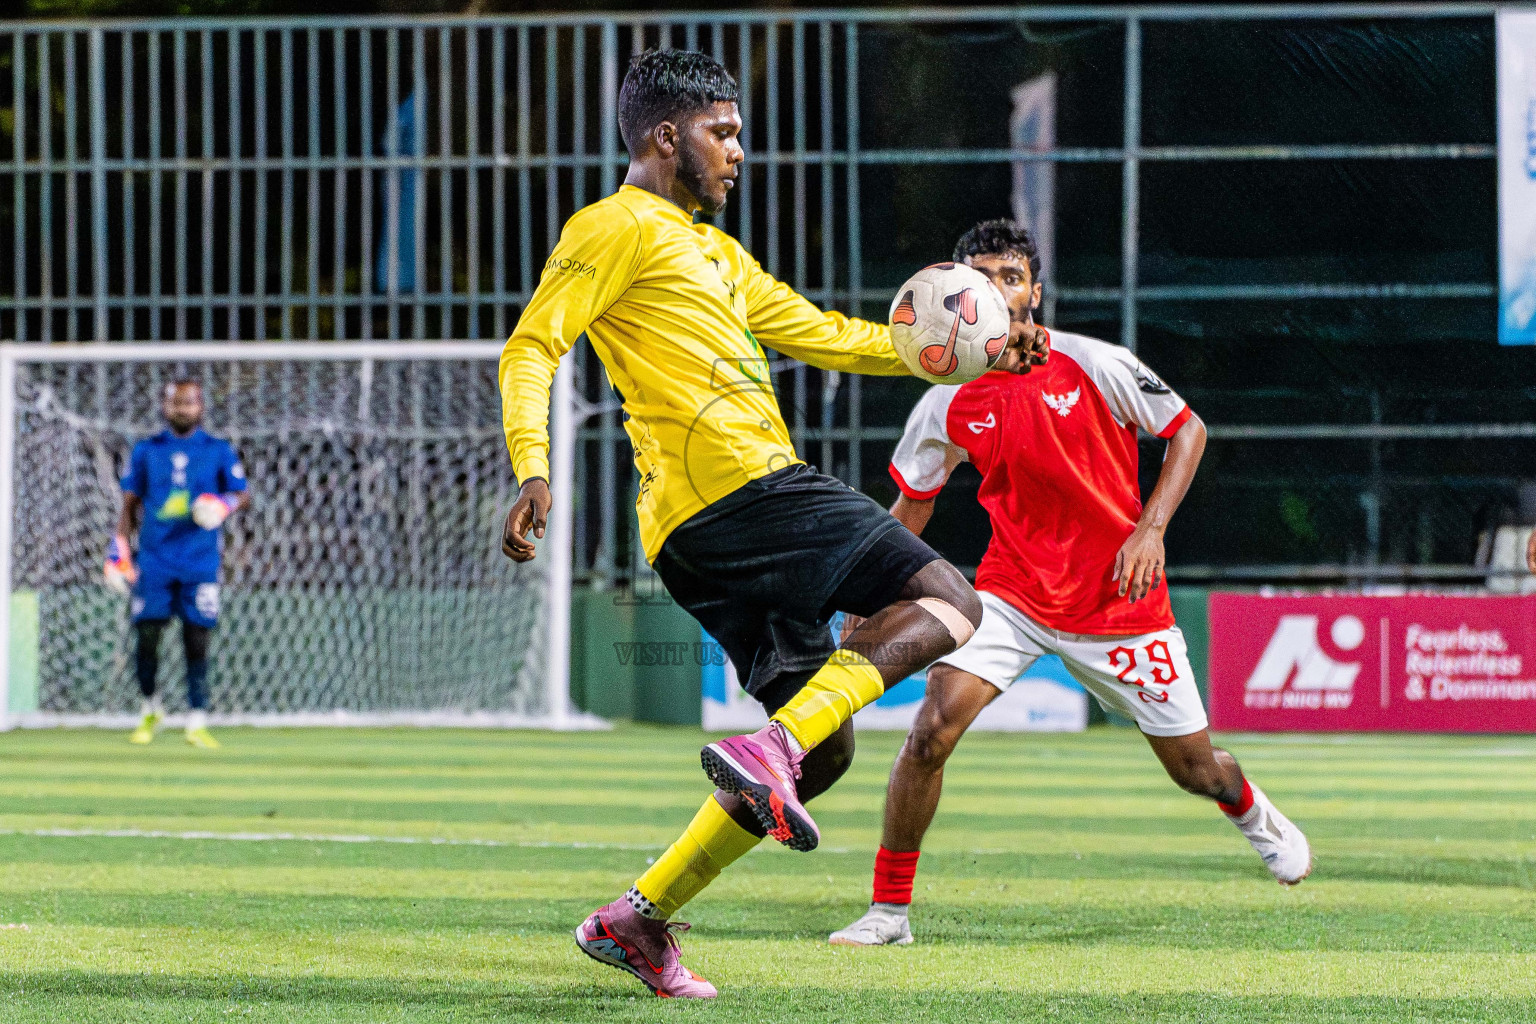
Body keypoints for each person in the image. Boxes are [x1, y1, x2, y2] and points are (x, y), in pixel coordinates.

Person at [497, 51, 1043, 998]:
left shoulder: (715, 253)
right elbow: (532, 348)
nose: (739, 152)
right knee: (953, 600)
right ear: (666, 137)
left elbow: (829, 333)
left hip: (699, 533)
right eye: (724, 132)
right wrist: (533, 469)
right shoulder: (613, 226)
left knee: (824, 750)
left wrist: (981, 354)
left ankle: (639, 917)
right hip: (742, 490)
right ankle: (770, 752)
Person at [828, 220, 1312, 948]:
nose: (996, 289)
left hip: (1119, 603)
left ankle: (1249, 809)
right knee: (930, 731)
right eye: (979, 278)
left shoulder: (1096, 362)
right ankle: (889, 912)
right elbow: (914, 502)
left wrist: (1149, 529)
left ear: (1035, 289)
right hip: (1010, 596)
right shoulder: (946, 395)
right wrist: (867, 589)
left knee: (1195, 769)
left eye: (1011, 276)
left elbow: (1188, 431)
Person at [108, 379, 249, 750]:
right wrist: (117, 551)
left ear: (201, 406)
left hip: (199, 563)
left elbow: (241, 493)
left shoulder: (217, 450)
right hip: (154, 562)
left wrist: (224, 505)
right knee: (147, 637)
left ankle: (197, 720)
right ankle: (150, 708)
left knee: (197, 640)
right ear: (165, 406)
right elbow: (129, 505)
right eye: (175, 403)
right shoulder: (146, 451)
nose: (182, 409)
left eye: (188, 403)